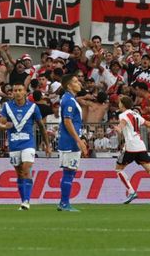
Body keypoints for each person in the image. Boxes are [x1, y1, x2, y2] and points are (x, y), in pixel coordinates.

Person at [0, 82, 51, 210]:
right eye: (15, 90)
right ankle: (23, 201)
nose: (17, 92)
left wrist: (47, 145)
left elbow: (41, 126)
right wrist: (6, 126)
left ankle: (27, 200)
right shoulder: (7, 106)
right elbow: (1, 124)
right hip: (14, 144)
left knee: (26, 168)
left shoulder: (33, 107)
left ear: (25, 92)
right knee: (19, 173)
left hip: (28, 143)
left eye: (19, 90)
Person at [114, 95, 150, 204]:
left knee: (118, 169)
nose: (118, 103)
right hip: (140, 146)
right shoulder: (136, 114)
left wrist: (119, 128)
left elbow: (123, 123)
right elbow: (147, 123)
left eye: (120, 102)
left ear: (122, 104)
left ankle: (131, 192)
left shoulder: (123, 115)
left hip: (130, 147)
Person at [57, 74, 87, 212]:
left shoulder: (69, 99)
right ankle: (64, 203)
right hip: (69, 142)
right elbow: (67, 121)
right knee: (69, 172)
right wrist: (78, 140)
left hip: (69, 140)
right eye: (75, 81)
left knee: (70, 172)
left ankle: (64, 202)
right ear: (69, 85)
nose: (79, 83)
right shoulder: (69, 100)